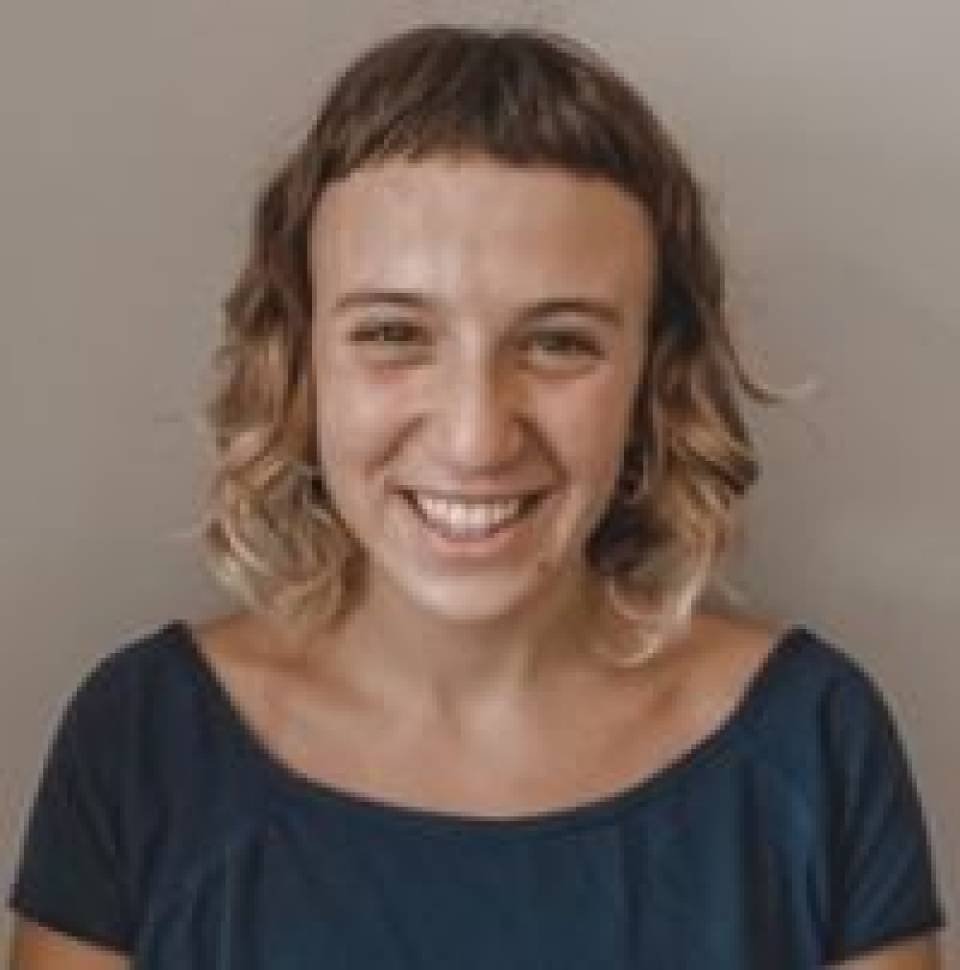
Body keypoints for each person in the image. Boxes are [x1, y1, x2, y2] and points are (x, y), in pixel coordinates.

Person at [7, 23, 946, 970]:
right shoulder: (143, 746)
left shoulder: (812, 744)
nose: (475, 438)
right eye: (393, 334)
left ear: (653, 380)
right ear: (297, 364)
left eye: (560, 342)